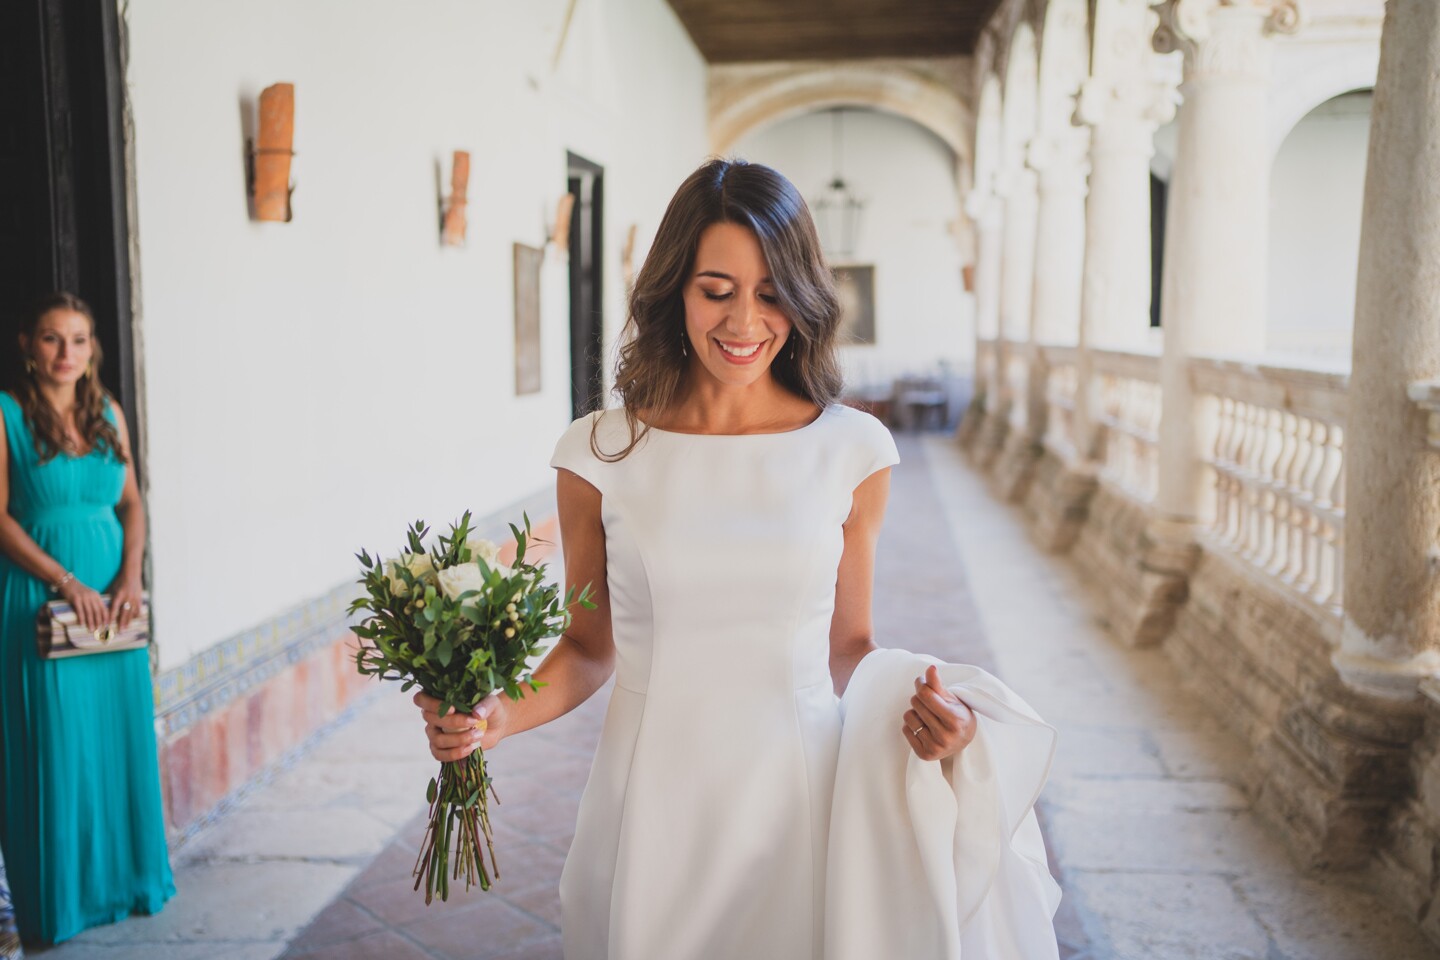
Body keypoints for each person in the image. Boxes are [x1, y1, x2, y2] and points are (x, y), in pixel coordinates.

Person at [415, 159, 1000, 959]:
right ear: (673, 291)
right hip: (648, 797)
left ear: (803, 296)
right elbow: (589, 650)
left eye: (771, 293)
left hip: (798, 796)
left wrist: (932, 720)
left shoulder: (854, 450)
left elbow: (849, 650)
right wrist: (495, 717)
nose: (744, 322)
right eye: (716, 290)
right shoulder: (597, 452)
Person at [0, 292, 174, 945]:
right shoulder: (6, 413)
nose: (66, 353)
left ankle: (125, 885)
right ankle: (60, 903)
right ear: (27, 343)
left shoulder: (108, 413)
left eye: (78, 339)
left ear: (92, 348)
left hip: (114, 611)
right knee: (56, 748)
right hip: (40, 602)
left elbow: (132, 504)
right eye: (51, 338)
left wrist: (130, 575)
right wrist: (66, 582)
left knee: (115, 741)